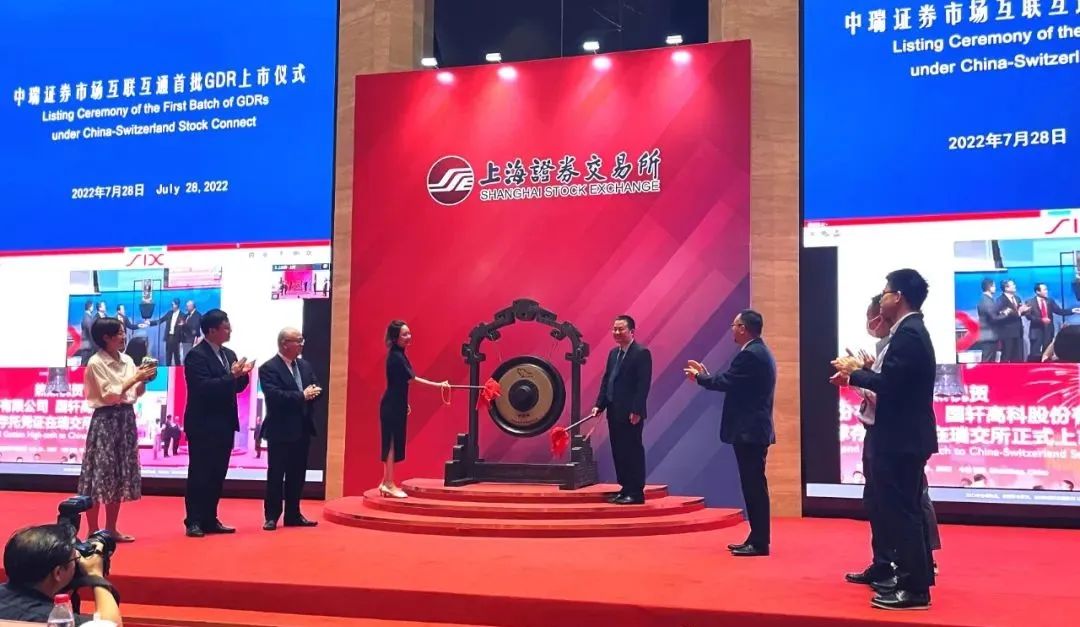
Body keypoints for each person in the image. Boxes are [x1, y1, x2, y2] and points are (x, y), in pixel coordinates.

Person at [832, 269, 937, 611]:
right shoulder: (907, 331)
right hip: (899, 436)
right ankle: (912, 581)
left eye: (887, 292)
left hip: (901, 438)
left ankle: (914, 589)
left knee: (904, 513)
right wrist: (860, 374)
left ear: (899, 297)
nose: (883, 298)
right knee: (900, 510)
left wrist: (855, 374)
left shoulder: (909, 334)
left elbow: (891, 386)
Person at [684, 309, 776, 556]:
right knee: (753, 486)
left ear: (743, 328)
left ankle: (759, 542)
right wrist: (706, 376)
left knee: (754, 487)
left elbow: (726, 382)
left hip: (749, 431)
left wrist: (700, 378)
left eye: (734, 325)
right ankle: (756, 537)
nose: (732, 329)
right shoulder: (758, 351)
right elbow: (732, 381)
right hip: (753, 430)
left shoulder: (750, 355)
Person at [78, 317, 156, 543]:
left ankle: (111, 528)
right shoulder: (95, 362)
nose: (124, 336)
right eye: (120, 333)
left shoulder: (127, 360)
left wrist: (144, 379)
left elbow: (135, 393)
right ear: (106, 337)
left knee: (118, 474)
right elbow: (110, 395)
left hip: (126, 418)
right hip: (105, 419)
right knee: (98, 475)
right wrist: (135, 377)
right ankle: (93, 530)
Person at [182, 309, 253, 538]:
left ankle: (210, 519)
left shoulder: (229, 353)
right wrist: (231, 376)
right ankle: (194, 521)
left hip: (225, 422)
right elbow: (203, 388)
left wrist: (243, 375)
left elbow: (236, 388)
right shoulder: (196, 356)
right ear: (212, 331)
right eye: (226, 327)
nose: (230, 331)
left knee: (217, 474)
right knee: (200, 473)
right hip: (203, 424)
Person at [258, 327, 322, 530]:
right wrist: (302, 395)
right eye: (298, 340)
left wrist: (313, 393)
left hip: (302, 428)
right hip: (280, 430)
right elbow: (274, 396)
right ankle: (271, 516)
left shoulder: (304, 365)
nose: (302, 344)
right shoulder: (269, 368)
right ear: (285, 343)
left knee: (297, 475)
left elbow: (315, 387)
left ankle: (293, 514)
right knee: (276, 475)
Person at [0, 525, 122, 626]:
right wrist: (95, 574)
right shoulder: (54, 621)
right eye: (75, 558)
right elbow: (110, 624)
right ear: (58, 573)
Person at [379, 321, 448, 498]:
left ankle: (386, 481)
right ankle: (388, 483)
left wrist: (404, 402)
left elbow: (400, 383)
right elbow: (412, 380)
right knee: (390, 443)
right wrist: (439, 385)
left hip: (396, 402)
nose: (408, 337)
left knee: (393, 443)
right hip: (391, 404)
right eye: (404, 334)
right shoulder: (396, 356)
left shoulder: (399, 355)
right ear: (395, 337)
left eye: (409, 333)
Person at [589, 315, 653, 505]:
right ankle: (625, 489)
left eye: (621, 329)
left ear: (631, 331)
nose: (616, 332)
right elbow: (607, 381)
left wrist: (637, 410)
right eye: (614, 329)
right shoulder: (613, 354)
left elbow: (643, 384)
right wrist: (599, 405)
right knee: (619, 451)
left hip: (631, 413)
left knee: (632, 451)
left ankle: (636, 492)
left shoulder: (641, 353)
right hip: (614, 411)